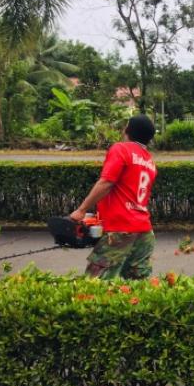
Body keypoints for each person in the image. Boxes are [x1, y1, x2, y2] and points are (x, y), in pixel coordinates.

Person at [70, 115, 157, 279]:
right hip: (144, 231)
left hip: (120, 229)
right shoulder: (149, 160)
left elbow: (106, 182)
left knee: (95, 282)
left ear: (128, 130)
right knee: (136, 284)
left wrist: (81, 210)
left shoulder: (121, 149)